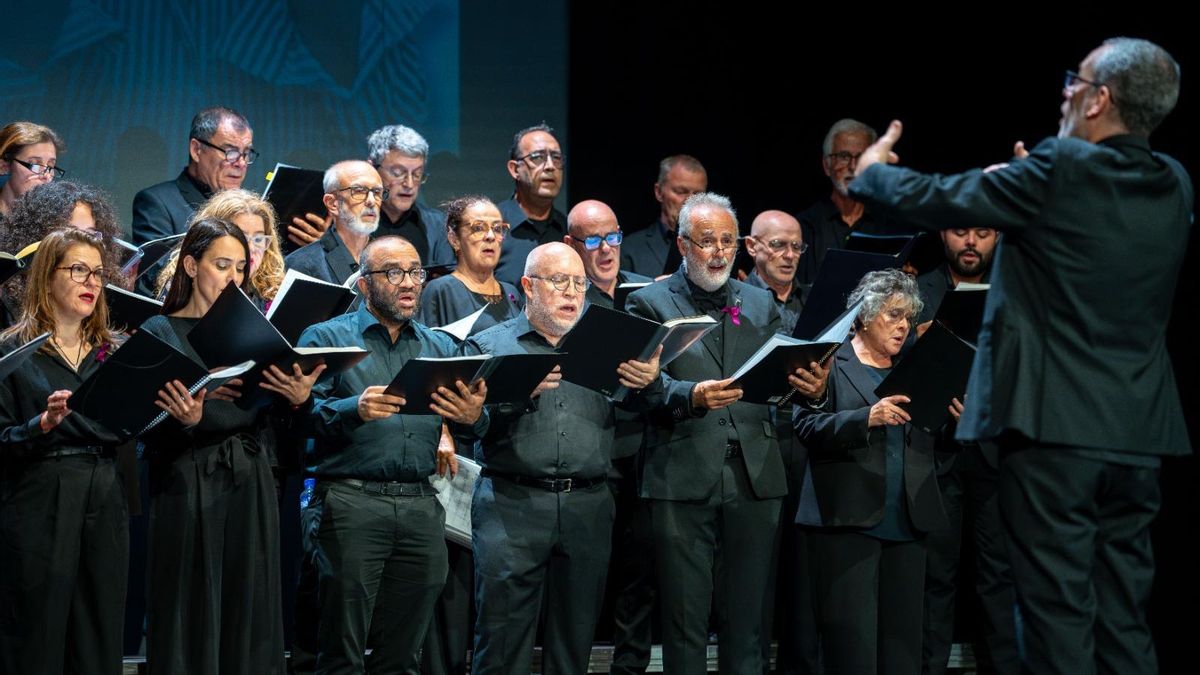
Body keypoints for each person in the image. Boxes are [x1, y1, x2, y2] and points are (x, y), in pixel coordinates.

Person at [849, 37, 1191, 675]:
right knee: (1123, 617)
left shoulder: (1059, 168)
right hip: (1139, 433)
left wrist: (870, 171)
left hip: (1054, 430)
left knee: (1054, 613)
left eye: (1075, 80)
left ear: (1100, 99)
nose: (1066, 90)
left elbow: (939, 196)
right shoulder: (1174, 181)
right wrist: (1039, 186)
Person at [625, 192, 827, 675]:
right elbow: (637, 384)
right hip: (683, 470)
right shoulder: (647, 302)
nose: (718, 252)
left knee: (748, 620)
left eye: (726, 242)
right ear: (682, 244)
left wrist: (813, 390)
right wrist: (688, 395)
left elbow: (784, 382)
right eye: (707, 241)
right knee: (685, 619)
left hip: (755, 477)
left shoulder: (759, 304)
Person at [464, 242, 662, 675]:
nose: (572, 292)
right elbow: (468, 426)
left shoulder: (608, 346)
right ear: (528, 286)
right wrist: (517, 396)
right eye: (559, 282)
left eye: (579, 283)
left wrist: (651, 383)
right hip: (511, 505)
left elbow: (645, 409)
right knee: (501, 643)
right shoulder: (488, 345)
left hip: (587, 505)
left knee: (573, 644)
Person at [297, 235, 487, 673]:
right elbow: (299, 418)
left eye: (416, 272)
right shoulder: (328, 338)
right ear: (364, 284)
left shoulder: (439, 346)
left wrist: (471, 417)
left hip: (422, 506)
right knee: (341, 652)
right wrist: (353, 408)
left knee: (403, 656)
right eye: (393, 272)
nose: (408, 283)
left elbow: (477, 421)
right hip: (351, 503)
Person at [139, 219, 322, 675]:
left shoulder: (255, 330)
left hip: (250, 475)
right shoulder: (162, 329)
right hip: (187, 478)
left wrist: (300, 400)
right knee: (190, 603)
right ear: (191, 265)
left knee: (249, 604)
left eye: (241, 268)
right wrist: (189, 421)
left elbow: (276, 416)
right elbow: (145, 427)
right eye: (222, 265)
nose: (234, 278)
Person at [793, 269, 946, 675]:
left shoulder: (915, 366)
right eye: (893, 315)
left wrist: (955, 418)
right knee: (851, 648)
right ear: (863, 315)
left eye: (908, 319)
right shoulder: (829, 361)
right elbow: (806, 427)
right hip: (849, 521)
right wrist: (866, 418)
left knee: (903, 650)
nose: (902, 327)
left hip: (908, 518)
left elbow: (932, 434)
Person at [0, 228, 127, 675]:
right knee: (38, 631)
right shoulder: (12, 351)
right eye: (78, 270)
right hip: (40, 496)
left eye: (97, 273)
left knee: (98, 631)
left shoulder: (116, 353)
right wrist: (42, 424)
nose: (90, 281)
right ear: (46, 277)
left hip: (104, 493)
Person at [914, 227, 1017, 675]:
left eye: (982, 233)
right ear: (943, 235)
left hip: (995, 451)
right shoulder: (918, 290)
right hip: (937, 450)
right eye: (960, 232)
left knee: (999, 576)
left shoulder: (1014, 285)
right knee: (936, 574)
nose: (971, 242)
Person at [563, 199, 656, 674]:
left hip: (641, 450)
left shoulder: (645, 295)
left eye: (613, 237)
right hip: (589, 452)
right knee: (585, 578)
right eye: (593, 241)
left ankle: (631, 668)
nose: (606, 250)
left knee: (639, 574)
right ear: (571, 246)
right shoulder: (565, 303)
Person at [131, 107, 258, 294]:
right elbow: (161, 277)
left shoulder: (250, 213)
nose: (240, 163)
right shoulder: (157, 203)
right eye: (230, 152)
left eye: (246, 153)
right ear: (196, 150)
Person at [0, 181, 126, 328]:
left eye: (90, 235)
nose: (82, 243)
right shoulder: (7, 301)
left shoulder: (95, 296)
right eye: (70, 234)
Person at [796, 119, 898, 285]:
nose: (853, 166)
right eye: (844, 156)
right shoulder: (804, 226)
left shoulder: (892, 226)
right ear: (826, 165)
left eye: (862, 157)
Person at [155, 189, 287, 305]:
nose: (251, 248)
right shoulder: (184, 287)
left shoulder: (271, 291)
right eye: (241, 237)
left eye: (258, 239)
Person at [418, 195, 522, 332]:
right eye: (478, 228)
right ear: (454, 239)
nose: (491, 236)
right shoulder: (441, 290)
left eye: (497, 229)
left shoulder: (511, 293)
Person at [367, 124, 456, 267]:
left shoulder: (438, 225)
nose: (409, 184)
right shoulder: (352, 221)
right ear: (372, 169)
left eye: (417, 174)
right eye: (398, 173)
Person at [285, 160, 385, 285]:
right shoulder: (301, 265)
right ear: (332, 204)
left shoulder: (390, 259)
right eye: (359, 190)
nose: (371, 201)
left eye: (377, 192)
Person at [493, 123, 567, 289]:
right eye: (538, 157)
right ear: (514, 169)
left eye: (556, 158)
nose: (550, 166)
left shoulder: (568, 231)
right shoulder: (492, 227)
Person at [620, 155, 707, 277]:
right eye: (681, 191)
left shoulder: (718, 247)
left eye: (698, 194)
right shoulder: (630, 249)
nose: (690, 200)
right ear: (659, 192)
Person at [743, 210, 809, 336]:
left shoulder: (814, 299)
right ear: (752, 246)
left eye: (796, 246)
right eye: (778, 244)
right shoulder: (735, 302)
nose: (790, 255)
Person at [0, 121, 65, 220]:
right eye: (35, 164)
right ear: (4, 166)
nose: (46, 176)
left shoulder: (55, 223)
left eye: (50, 166)